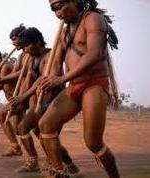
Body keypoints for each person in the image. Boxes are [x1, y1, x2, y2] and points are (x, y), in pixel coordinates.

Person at [38, 0, 120, 177]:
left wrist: (62, 78)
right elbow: (56, 62)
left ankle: (115, 176)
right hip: (74, 86)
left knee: (93, 143)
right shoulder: (64, 32)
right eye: (54, 9)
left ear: (75, 1)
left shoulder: (93, 19)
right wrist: (49, 80)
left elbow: (94, 53)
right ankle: (60, 172)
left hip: (94, 84)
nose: (58, 13)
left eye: (61, 6)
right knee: (45, 125)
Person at [9, 27, 79, 177]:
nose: (26, 49)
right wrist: (20, 100)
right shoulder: (32, 57)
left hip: (56, 102)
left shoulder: (51, 55)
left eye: (28, 45)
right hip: (40, 104)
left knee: (47, 138)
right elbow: (29, 80)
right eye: (24, 46)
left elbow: (44, 79)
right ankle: (33, 163)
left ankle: (65, 167)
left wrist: (24, 96)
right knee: (23, 128)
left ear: (38, 42)